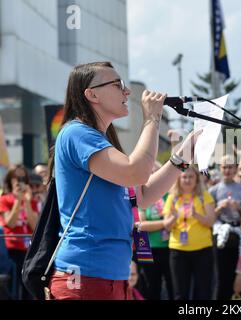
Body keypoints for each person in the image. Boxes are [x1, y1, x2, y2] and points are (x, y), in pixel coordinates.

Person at [47, 62, 199, 300]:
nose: (127, 92)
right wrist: (151, 119)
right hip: (85, 276)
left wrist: (181, 158)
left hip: (110, 277)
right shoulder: (77, 133)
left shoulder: (100, 140)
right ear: (92, 94)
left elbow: (143, 195)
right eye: (118, 85)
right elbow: (135, 173)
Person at [163, 166, 216, 300]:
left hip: (202, 250)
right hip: (178, 250)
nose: (187, 180)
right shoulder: (172, 197)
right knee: (180, 293)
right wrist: (174, 217)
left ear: (197, 179)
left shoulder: (205, 196)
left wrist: (197, 215)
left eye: (191, 177)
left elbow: (210, 222)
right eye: (184, 177)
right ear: (178, 179)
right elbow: (167, 227)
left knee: (203, 291)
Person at [209, 155, 241, 300]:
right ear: (220, 168)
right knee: (221, 273)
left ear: (236, 168)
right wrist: (219, 208)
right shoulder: (213, 190)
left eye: (230, 167)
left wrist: (239, 207)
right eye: (224, 167)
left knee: (238, 272)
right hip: (221, 233)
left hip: (238, 233)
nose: (227, 170)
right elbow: (209, 216)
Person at [134, 161, 173, 300]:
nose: (153, 175)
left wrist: (160, 224)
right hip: (146, 248)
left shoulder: (170, 196)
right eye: (150, 172)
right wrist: (164, 222)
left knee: (172, 287)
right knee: (151, 288)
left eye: (156, 172)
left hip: (169, 247)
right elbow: (141, 225)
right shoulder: (140, 196)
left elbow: (173, 222)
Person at [0, 165, 38, 300]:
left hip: (28, 250)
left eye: (23, 178)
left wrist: (27, 202)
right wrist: (17, 201)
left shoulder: (30, 200)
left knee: (28, 288)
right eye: (16, 177)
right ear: (10, 180)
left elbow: (34, 226)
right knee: (15, 288)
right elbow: (9, 222)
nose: (20, 181)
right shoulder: (4, 199)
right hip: (12, 250)